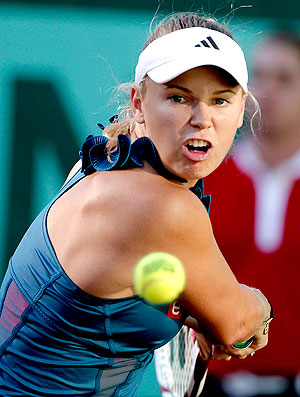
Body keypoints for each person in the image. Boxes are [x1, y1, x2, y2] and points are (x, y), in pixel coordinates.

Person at [0, 13, 274, 396]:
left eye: (221, 100)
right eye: (180, 98)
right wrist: (261, 308)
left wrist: (195, 315)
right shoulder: (164, 207)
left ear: (242, 106)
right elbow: (237, 326)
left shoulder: (102, 161)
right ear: (139, 103)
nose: (202, 119)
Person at [203, 31, 300, 397]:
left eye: (285, 78)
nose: (268, 90)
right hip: (213, 385)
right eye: (259, 76)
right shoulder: (205, 178)